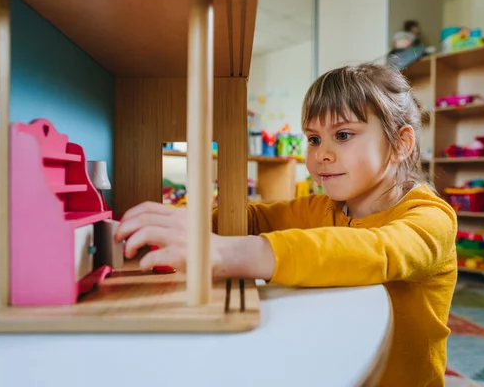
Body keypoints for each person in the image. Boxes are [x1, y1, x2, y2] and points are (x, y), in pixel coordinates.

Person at [114, 63, 458, 387]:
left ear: (400, 144)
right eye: (313, 138)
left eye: (342, 135)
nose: (321, 154)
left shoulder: (430, 218)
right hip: (348, 370)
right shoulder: (324, 207)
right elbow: (257, 218)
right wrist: (190, 221)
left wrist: (231, 252)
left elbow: (379, 251)